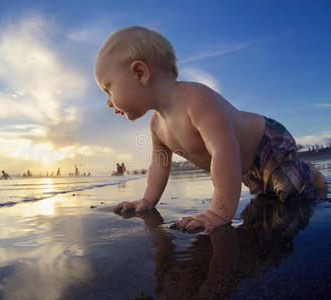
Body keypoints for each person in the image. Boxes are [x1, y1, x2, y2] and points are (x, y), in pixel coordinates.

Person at [94, 26, 327, 233]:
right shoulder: (156, 126)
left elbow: (224, 151)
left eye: (108, 89)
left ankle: (308, 172)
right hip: (243, 164)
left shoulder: (195, 99)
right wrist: (147, 200)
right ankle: (293, 172)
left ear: (139, 73)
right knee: (268, 196)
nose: (107, 101)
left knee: (292, 195)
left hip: (266, 141)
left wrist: (220, 212)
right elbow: (160, 164)